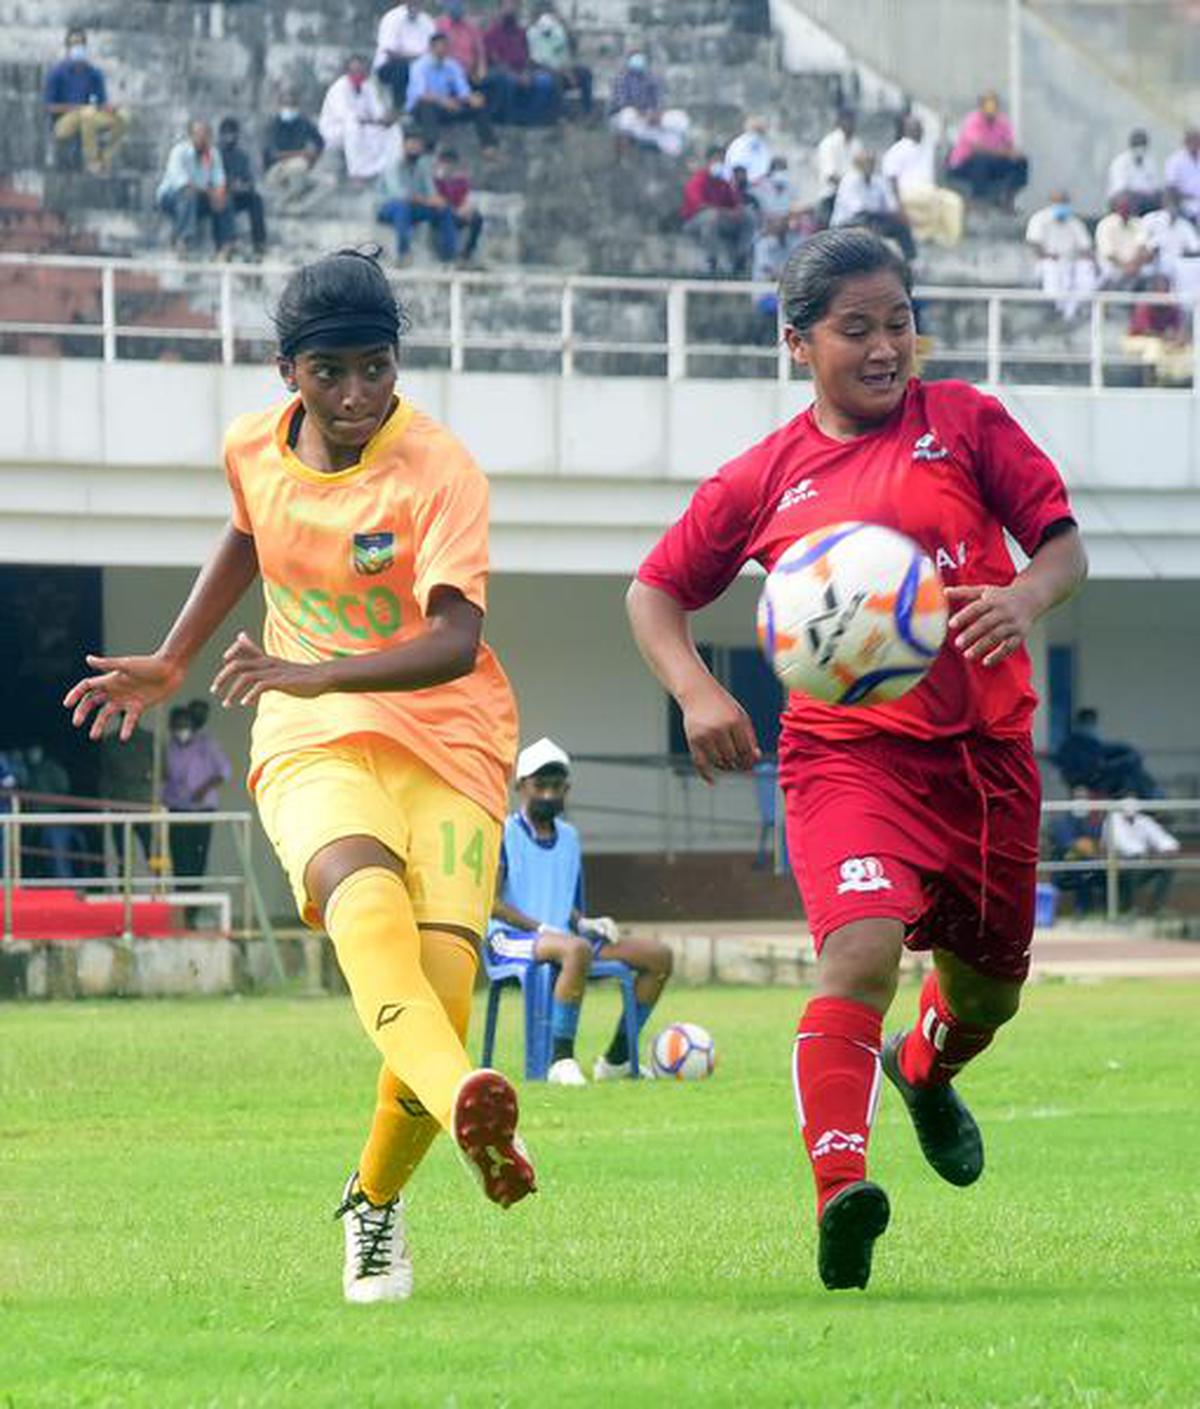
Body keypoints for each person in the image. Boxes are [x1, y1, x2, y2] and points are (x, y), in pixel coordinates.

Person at [63, 247, 537, 1302]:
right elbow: (247, 530)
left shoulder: (441, 468)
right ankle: (470, 1095)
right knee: (362, 897)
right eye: (334, 373)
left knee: (444, 983)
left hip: (452, 739)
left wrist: (314, 667)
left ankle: (372, 1202)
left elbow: (457, 641)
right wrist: (179, 656)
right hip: (309, 732)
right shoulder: (251, 448)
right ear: (290, 372)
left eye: (379, 368)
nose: (360, 393)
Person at [626, 228, 1087, 1292]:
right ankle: (843, 1187)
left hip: (986, 762)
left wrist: (1023, 595)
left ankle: (924, 1067)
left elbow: (1062, 545)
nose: (886, 347)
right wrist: (698, 690)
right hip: (849, 760)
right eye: (856, 329)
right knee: (861, 954)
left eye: (899, 323)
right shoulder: (763, 477)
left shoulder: (967, 421)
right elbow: (654, 590)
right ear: (798, 343)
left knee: (989, 995)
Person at [487, 738, 674, 1085]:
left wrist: (586, 922)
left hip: (564, 940)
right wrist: (542, 928)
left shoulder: (570, 837)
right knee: (575, 949)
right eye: (540, 785)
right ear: (520, 786)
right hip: (508, 937)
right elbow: (491, 902)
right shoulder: (504, 832)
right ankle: (561, 1059)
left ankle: (617, 1059)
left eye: (557, 786)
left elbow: (563, 903)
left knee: (658, 956)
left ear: (567, 789)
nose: (548, 794)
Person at [162, 702, 231, 898]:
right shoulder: (168, 748)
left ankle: (193, 904)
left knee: (197, 858)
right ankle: (182, 900)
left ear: (192, 726)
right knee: (179, 857)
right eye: (177, 725)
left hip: (202, 809)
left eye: (185, 725)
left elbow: (224, 771)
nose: (181, 730)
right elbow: (164, 777)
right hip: (177, 808)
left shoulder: (207, 743)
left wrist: (204, 788)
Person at [42, 26, 129, 175]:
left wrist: (111, 108)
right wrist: (76, 108)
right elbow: (49, 107)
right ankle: (92, 161)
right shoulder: (57, 73)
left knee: (124, 116)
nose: (78, 48)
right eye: (74, 44)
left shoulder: (94, 73)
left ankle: (105, 159)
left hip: (90, 116)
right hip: (62, 123)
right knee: (87, 113)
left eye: (81, 44)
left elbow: (101, 102)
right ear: (68, 48)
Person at [406, 31, 497, 154]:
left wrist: (471, 98)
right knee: (427, 106)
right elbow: (421, 94)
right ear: (432, 47)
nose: (444, 49)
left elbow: (463, 90)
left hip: (446, 106)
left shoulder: (452, 65)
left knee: (478, 104)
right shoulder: (419, 66)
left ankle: (488, 145)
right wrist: (444, 101)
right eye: (441, 45)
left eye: (446, 45)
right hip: (421, 108)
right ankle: (430, 144)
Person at [881, 116, 964, 248]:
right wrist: (897, 204)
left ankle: (950, 241)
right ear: (905, 130)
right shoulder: (896, 150)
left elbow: (942, 138)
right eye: (913, 127)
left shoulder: (927, 145)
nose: (917, 130)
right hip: (907, 191)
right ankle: (925, 235)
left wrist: (944, 123)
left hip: (928, 189)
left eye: (919, 127)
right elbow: (891, 179)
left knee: (954, 202)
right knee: (931, 197)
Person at [378, 129, 459, 263]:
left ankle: (450, 257)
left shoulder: (422, 166)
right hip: (388, 207)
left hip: (415, 207)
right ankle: (403, 255)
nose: (415, 148)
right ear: (404, 145)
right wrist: (427, 200)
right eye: (412, 144)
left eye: (418, 145)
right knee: (402, 207)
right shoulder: (393, 164)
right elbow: (398, 194)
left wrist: (438, 201)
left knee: (444, 209)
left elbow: (430, 191)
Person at [156, 120, 234, 256]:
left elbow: (219, 179)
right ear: (191, 136)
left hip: (200, 197)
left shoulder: (213, 154)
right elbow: (183, 183)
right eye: (199, 134)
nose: (203, 138)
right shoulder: (179, 151)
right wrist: (210, 193)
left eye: (206, 135)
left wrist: (219, 194)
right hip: (171, 197)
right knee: (188, 195)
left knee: (225, 200)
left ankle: (224, 247)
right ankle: (182, 241)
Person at [680, 144, 757, 277]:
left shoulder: (724, 182)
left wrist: (738, 211)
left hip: (721, 219)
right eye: (716, 159)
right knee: (711, 216)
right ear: (708, 161)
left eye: (722, 160)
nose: (719, 163)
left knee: (749, 215)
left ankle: (740, 258)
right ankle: (711, 260)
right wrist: (727, 212)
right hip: (695, 222)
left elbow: (736, 202)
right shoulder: (697, 180)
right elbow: (701, 207)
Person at [319, 56, 399, 181]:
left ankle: (382, 168)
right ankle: (357, 171)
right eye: (354, 70)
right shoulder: (338, 87)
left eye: (361, 70)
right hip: (336, 130)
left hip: (365, 126)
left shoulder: (368, 86)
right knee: (353, 127)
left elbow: (377, 111)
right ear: (348, 71)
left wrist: (385, 118)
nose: (358, 73)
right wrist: (372, 121)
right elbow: (346, 115)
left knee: (393, 129)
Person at [1053, 707, 1157, 798]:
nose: (1091, 726)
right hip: (1089, 781)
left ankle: (1151, 801)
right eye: (1088, 721)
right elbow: (1088, 767)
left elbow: (1108, 750)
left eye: (1092, 722)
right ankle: (1152, 803)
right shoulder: (1072, 745)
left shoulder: (1090, 742)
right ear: (1080, 723)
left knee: (1131, 770)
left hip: (1100, 776)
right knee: (1130, 770)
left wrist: (1128, 753)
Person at [947, 91, 1028, 208]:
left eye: (994, 106)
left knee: (1021, 161)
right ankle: (979, 200)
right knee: (981, 160)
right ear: (981, 107)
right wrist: (1005, 153)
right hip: (964, 165)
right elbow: (978, 149)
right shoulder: (972, 121)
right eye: (988, 106)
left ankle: (1009, 200)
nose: (991, 110)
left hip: (992, 161)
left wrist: (1014, 153)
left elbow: (1009, 144)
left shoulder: (1002, 122)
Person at [831, 149, 917, 261]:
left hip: (873, 218)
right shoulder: (849, 181)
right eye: (866, 162)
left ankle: (912, 261)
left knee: (901, 225)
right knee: (867, 225)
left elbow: (890, 206)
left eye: (871, 162)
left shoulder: (878, 181)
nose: (870, 165)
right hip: (847, 223)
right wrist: (884, 213)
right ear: (858, 164)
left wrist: (898, 215)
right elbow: (859, 209)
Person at [485, 0, 558, 126]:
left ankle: (531, 117)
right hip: (503, 72)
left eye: (514, 5)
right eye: (507, 5)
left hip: (522, 71)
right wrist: (515, 76)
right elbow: (495, 60)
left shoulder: (521, 33)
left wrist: (527, 73)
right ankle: (510, 118)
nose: (511, 8)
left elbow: (527, 57)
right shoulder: (492, 33)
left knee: (545, 81)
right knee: (507, 81)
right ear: (500, 8)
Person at [1025, 191, 1097, 320]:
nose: (1062, 205)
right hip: (1044, 261)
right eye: (1059, 202)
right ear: (1052, 203)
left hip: (1069, 262)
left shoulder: (1075, 222)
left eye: (1064, 202)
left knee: (1086, 268)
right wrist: (1048, 255)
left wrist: (1088, 259)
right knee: (1053, 268)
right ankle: (1055, 307)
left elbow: (1085, 247)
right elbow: (1034, 244)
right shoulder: (1040, 218)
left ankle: (1072, 312)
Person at [608, 51, 689, 158]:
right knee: (628, 115)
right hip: (630, 116)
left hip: (650, 118)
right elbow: (620, 102)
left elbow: (658, 101)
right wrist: (640, 112)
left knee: (678, 121)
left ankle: (667, 156)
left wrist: (655, 114)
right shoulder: (621, 79)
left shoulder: (651, 79)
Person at [1106, 795, 1181, 913]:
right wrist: (1144, 855)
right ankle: (1128, 908)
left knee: (1168, 866)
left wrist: (1169, 848)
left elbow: (1161, 838)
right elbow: (1122, 845)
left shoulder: (1142, 820)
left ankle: (1156, 907)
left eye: (1133, 813)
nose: (1131, 817)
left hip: (1141, 863)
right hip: (1119, 865)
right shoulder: (1113, 820)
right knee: (1132, 863)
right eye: (1127, 814)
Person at [98, 722, 154, 870]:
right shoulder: (110, 742)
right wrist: (105, 799)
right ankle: (123, 888)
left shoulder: (149, 739)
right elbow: (105, 774)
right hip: (119, 803)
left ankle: (159, 885)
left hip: (143, 803)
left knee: (152, 851)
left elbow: (161, 769)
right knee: (122, 854)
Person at [21, 743, 81, 879]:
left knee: (57, 858)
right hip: (32, 823)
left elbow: (64, 790)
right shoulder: (28, 771)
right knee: (30, 857)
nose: (32, 753)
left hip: (52, 821)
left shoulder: (53, 769)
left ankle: (65, 887)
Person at [262, 91, 329, 211]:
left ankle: (298, 207)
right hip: (277, 171)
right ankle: (283, 203)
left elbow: (320, 142)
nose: (289, 108)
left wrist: (312, 159)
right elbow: (274, 154)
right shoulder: (273, 125)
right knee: (298, 165)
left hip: (301, 169)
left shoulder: (303, 123)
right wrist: (303, 154)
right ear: (280, 106)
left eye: (292, 104)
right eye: (286, 104)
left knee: (329, 182)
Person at [526, 6, 593, 117]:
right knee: (553, 77)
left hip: (562, 69)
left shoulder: (558, 32)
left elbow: (564, 54)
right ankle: (562, 114)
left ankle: (587, 112)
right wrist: (560, 71)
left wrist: (568, 72)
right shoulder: (532, 34)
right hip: (543, 71)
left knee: (585, 73)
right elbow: (537, 60)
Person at [1048, 786, 1106, 915]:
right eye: (1078, 798)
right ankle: (1080, 910)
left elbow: (1096, 842)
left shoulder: (1091, 822)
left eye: (1085, 798)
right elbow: (1067, 844)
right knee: (1081, 869)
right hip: (1064, 867)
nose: (1082, 802)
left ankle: (1102, 910)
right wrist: (1083, 846)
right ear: (1071, 800)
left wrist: (1087, 846)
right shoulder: (1061, 822)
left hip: (1088, 866)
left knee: (1105, 872)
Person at [217, 117, 267, 258]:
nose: (230, 137)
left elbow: (249, 180)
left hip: (239, 193)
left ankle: (259, 243)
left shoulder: (241, 156)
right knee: (227, 200)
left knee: (256, 200)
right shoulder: (215, 154)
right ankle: (229, 243)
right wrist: (228, 184)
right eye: (226, 134)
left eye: (232, 133)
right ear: (221, 135)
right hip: (221, 194)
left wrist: (244, 185)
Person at [374, 2, 436, 113]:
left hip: (422, 65)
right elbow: (390, 52)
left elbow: (434, 49)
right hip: (391, 65)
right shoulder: (392, 18)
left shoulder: (427, 21)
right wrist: (416, 58)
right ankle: (398, 108)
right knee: (402, 67)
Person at [1141, 187, 1200, 291]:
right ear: (1164, 202)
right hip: (1153, 266)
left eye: (1176, 201)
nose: (1173, 205)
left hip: (1179, 268)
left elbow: (1195, 248)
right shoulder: (1150, 220)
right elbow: (1141, 245)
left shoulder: (1184, 225)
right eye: (1170, 201)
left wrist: (1185, 253)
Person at [434, 147, 484, 263]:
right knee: (446, 215)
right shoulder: (435, 181)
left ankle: (467, 252)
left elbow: (466, 199)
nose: (448, 166)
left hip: (458, 212)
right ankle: (449, 254)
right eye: (445, 163)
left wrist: (466, 208)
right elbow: (435, 199)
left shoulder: (461, 181)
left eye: (450, 163)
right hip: (440, 213)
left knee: (477, 218)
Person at [816, 109, 863, 226]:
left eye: (853, 121)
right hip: (831, 197)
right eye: (848, 120)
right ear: (840, 122)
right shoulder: (829, 143)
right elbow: (830, 176)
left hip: (853, 198)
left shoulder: (857, 144)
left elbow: (860, 172)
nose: (851, 124)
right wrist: (848, 186)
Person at [1094, 195, 1150, 289]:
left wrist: (1133, 265)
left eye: (1128, 208)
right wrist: (1125, 267)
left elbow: (1143, 247)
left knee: (1152, 274)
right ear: (1115, 209)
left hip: (1136, 266)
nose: (1125, 212)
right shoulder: (1105, 224)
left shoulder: (1138, 223)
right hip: (1114, 266)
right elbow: (1109, 254)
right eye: (1122, 208)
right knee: (1112, 275)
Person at [1107, 129, 1160, 215]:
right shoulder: (1120, 162)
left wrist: (1149, 194)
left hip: (1146, 200)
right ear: (1131, 145)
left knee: (1161, 198)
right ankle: (1133, 225)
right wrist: (1140, 193)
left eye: (1143, 144)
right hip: (1123, 200)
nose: (1140, 148)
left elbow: (1155, 187)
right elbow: (1121, 189)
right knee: (1130, 199)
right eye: (1137, 144)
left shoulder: (1150, 161)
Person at [1163, 127, 1200, 221]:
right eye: (1192, 140)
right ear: (1186, 142)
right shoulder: (1175, 161)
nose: (1195, 144)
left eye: (1197, 140)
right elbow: (1170, 188)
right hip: (1186, 203)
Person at [725, 115, 773, 186]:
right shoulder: (749, 142)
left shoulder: (759, 142)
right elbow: (739, 164)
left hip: (755, 183)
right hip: (746, 184)